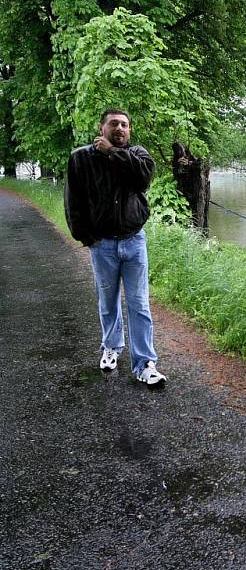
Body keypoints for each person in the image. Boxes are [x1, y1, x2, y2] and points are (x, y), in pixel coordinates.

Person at [64, 109, 166, 388]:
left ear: (129, 131)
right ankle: (111, 346)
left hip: (134, 241)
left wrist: (112, 153)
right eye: (113, 124)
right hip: (102, 245)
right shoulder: (81, 158)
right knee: (107, 301)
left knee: (139, 303)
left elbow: (143, 179)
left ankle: (145, 363)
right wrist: (86, 237)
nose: (119, 128)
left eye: (124, 125)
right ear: (102, 127)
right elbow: (74, 202)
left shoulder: (138, 156)